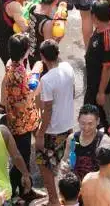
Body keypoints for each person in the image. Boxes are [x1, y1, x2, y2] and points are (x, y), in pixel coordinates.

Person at [34, 38, 75, 203]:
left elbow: (48, 109)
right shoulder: (68, 67)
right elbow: (72, 93)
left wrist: (40, 133)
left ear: (42, 57)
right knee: (61, 161)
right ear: (58, 54)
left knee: (44, 165)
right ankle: (67, 196)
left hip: (53, 129)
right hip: (67, 125)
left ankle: (53, 200)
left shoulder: (47, 80)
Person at [3, 34, 40, 202]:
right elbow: (22, 103)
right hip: (21, 122)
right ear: (25, 52)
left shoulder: (11, 65)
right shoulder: (17, 73)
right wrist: (36, 90)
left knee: (22, 157)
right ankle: (16, 192)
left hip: (16, 120)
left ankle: (23, 190)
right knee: (21, 160)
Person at [85, 0, 110, 126]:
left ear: (94, 16)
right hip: (93, 84)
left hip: (103, 88)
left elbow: (108, 68)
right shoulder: (100, 28)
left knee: (104, 119)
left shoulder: (107, 39)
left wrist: (101, 92)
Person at [60, 104, 110, 182]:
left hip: (97, 188)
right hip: (75, 187)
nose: (86, 128)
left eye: (90, 124)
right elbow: (65, 160)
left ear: (98, 121)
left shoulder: (105, 142)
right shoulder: (72, 139)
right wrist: (64, 166)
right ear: (78, 120)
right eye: (83, 123)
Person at [0, 0, 29, 67]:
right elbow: (24, 28)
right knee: (16, 75)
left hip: (0, 43)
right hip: (12, 46)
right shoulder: (14, 6)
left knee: (9, 72)